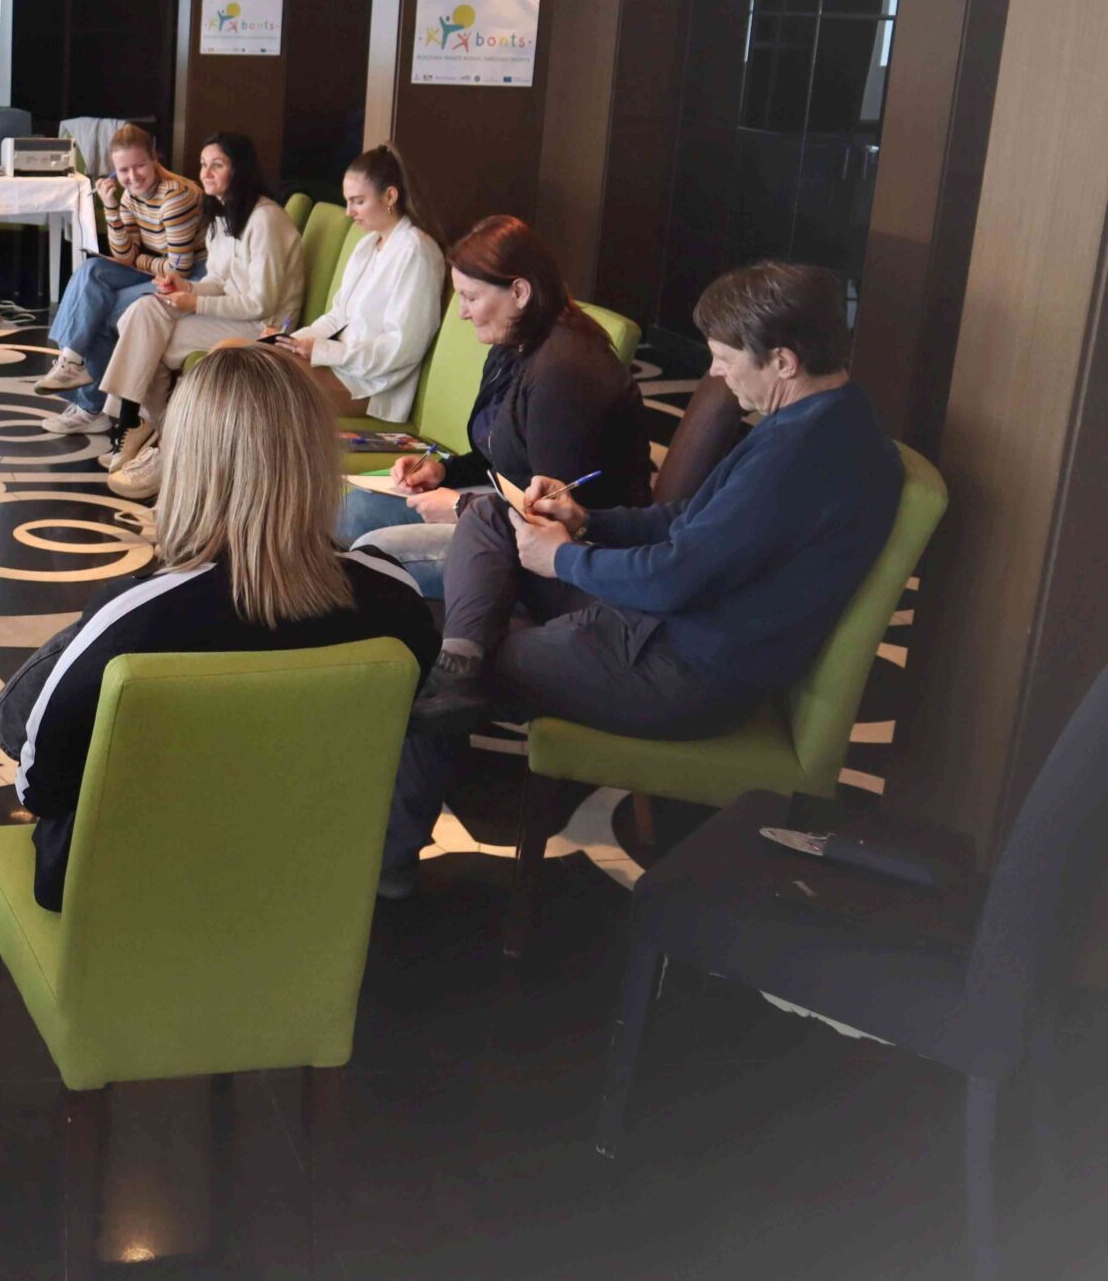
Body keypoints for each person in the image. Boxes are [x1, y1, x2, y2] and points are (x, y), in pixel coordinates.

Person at [385, 261, 904, 893]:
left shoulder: (803, 455)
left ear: (784, 362)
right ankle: (463, 661)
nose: (715, 373)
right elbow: (688, 522)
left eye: (724, 358)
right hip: (658, 625)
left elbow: (675, 577)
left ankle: (390, 852)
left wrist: (562, 559)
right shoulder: (822, 421)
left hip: (677, 667)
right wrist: (585, 520)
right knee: (495, 514)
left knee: (433, 665)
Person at [0, 344, 439, 909]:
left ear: (189, 461)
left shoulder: (134, 619)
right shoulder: (396, 597)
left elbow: (39, 788)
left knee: (93, 641)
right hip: (311, 882)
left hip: (122, 889)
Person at [335, 216, 654, 596]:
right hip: (502, 506)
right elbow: (502, 454)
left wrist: (460, 506)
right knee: (353, 510)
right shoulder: (512, 344)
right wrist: (443, 471)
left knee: (378, 554)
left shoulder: (564, 372)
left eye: (471, 298)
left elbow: (554, 512)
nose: (462, 313)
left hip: (562, 550)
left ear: (519, 292)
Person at [85, 133, 305, 497]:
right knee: (145, 310)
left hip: (263, 327)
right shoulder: (222, 214)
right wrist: (184, 287)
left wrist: (195, 304)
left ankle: (146, 434)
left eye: (217, 165)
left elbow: (261, 303)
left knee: (150, 337)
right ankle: (140, 425)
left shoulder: (266, 220)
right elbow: (217, 280)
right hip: (232, 314)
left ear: (240, 169)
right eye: (203, 164)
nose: (206, 172)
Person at [34, 123, 206, 422]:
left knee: (98, 311)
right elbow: (125, 256)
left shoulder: (176, 196)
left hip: (189, 280)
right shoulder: (128, 195)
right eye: (123, 170)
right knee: (91, 270)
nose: (132, 176)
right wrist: (111, 207)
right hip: (158, 268)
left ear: (155, 159)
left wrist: (141, 261)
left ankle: (90, 408)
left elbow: (180, 268)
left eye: (139, 166)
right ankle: (71, 359)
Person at [281, 146, 445, 419]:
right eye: (348, 202)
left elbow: (400, 348)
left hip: (373, 388)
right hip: (340, 366)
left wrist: (324, 351)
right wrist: (290, 341)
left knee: (257, 378)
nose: (349, 212)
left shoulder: (416, 251)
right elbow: (337, 317)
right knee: (243, 354)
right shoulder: (367, 245)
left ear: (390, 196)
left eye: (358, 201)